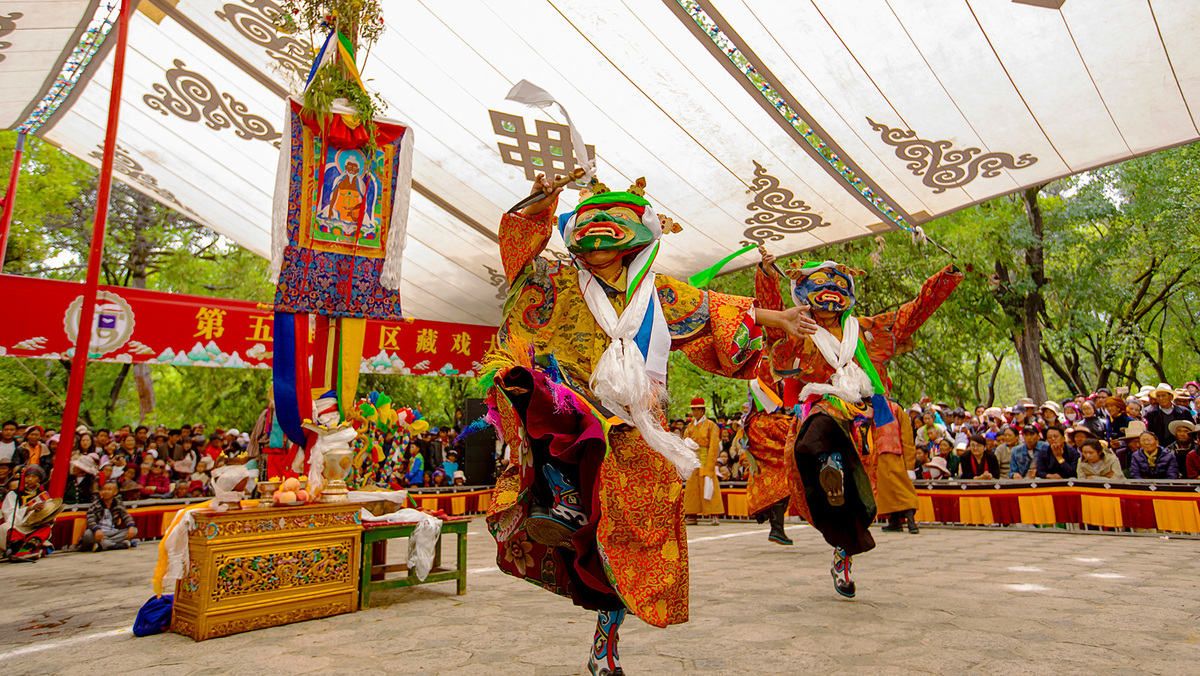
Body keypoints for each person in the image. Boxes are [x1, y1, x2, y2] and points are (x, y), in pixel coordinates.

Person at [479, 171, 813, 673]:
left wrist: (779, 319)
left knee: (622, 541)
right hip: (568, 393)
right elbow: (519, 254)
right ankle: (561, 496)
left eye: (608, 232)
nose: (594, 243)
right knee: (529, 389)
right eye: (586, 232)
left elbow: (712, 311)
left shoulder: (657, 294)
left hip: (635, 423)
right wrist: (544, 200)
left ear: (634, 237)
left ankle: (606, 635)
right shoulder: (556, 280)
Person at [760, 249, 960, 599]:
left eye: (839, 283)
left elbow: (910, 315)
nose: (832, 289)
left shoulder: (865, 330)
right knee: (817, 432)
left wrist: (944, 279)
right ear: (804, 291)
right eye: (821, 283)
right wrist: (766, 275)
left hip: (862, 425)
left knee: (852, 502)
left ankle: (843, 555)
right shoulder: (799, 329)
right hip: (819, 411)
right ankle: (829, 463)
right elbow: (771, 331)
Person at [683, 398, 724, 526]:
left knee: (709, 485)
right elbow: (685, 440)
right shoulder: (690, 426)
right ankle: (692, 513)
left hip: (706, 458)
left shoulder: (711, 425)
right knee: (692, 487)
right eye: (693, 409)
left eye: (696, 409)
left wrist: (710, 464)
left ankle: (714, 514)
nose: (694, 411)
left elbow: (714, 445)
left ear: (702, 410)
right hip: (693, 459)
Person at [78, 480, 138, 551]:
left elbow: (126, 516)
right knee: (88, 534)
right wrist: (97, 529)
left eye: (109, 490)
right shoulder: (95, 505)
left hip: (112, 532)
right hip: (98, 532)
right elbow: (90, 520)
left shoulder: (118, 504)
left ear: (115, 492)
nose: (106, 492)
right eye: (104, 489)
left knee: (134, 530)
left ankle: (104, 545)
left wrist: (131, 526)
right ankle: (115, 545)